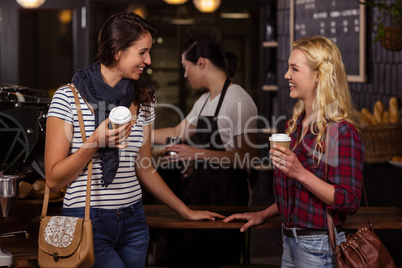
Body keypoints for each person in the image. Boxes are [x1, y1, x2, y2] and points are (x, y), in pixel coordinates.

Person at [44, 12, 223, 268]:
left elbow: (145, 166)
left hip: (134, 222)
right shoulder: (67, 98)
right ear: (117, 51)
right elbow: (53, 179)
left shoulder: (145, 98)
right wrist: (95, 141)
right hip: (87, 221)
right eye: (142, 52)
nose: (148, 60)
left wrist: (185, 210)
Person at [224, 36, 365, 268]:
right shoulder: (297, 123)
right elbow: (298, 194)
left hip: (318, 247)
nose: (286, 75)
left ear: (319, 75)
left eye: (294, 69)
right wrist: (265, 213)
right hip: (290, 243)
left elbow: (349, 200)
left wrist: (299, 172)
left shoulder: (341, 131)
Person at [152, 36, 258, 267]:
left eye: (185, 67)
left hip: (229, 197)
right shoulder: (203, 101)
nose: (185, 75)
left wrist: (196, 154)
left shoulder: (238, 100)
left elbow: (248, 156)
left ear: (201, 63)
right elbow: (177, 131)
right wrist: (139, 134)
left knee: (221, 258)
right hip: (203, 193)